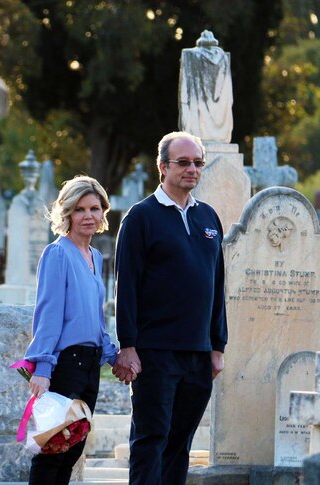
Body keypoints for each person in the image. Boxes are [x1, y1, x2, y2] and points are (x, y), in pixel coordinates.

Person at [114, 131, 228, 484]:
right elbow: (127, 285)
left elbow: (217, 284)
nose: (191, 169)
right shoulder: (140, 218)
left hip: (197, 354)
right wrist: (128, 345)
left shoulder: (208, 217)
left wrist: (217, 345)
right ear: (162, 167)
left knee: (180, 444)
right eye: (183, 162)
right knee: (151, 440)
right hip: (155, 353)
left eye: (197, 163)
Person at [23, 175, 122, 484]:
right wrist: (42, 366)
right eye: (80, 209)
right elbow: (49, 314)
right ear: (66, 213)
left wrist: (113, 356)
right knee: (52, 451)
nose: (88, 216)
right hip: (66, 363)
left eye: (95, 208)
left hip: (91, 365)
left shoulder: (95, 257)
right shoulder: (57, 254)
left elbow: (94, 319)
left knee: (73, 451)